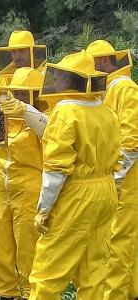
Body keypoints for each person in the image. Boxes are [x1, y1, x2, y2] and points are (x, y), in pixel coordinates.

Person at [28, 50, 121, 299]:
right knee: (95, 268)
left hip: (77, 194)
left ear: (70, 81)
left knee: (49, 267)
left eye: (59, 76)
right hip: (106, 192)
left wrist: (44, 208)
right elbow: (118, 156)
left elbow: (56, 170)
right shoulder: (106, 112)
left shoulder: (65, 112)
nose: (55, 81)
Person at [0, 67, 48, 300]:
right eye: (16, 94)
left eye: (25, 94)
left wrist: (27, 111)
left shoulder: (43, 116)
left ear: (35, 95)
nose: (19, 99)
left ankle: (31, 292)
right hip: (0, 188)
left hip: (28, 190)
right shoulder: (6, 118)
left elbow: (48, 129)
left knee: (28, 244)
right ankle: (4, 291)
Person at [87, 39, 138, 300]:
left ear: (105, 61)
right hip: (114, 181)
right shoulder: (107, 90)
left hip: (126, 185)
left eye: (93, 64)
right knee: (115, 242)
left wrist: (116, 176)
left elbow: (131, 140)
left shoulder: (125, 88)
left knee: (120, 243)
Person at [0, 30, 47, 98]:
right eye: (13, 51)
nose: (17, 56)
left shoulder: (45, 75)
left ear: (33, 51)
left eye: (21, 50)